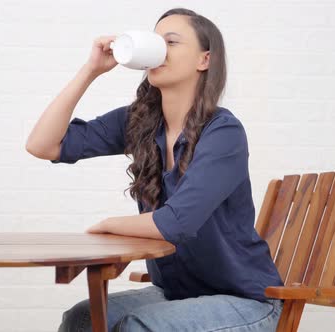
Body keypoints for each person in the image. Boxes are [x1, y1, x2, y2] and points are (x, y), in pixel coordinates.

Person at [26, 7, 284, 332]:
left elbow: (176, 222)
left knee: (139, 326)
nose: (159, 50)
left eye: (171, 42)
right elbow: (43, 145)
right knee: (82, 319)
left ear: (204, 60)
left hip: (245, 301)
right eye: (156, 41)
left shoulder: (224, 133)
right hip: (177, 294)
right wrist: (91, 70)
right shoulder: (141, 123)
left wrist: (108, 224)